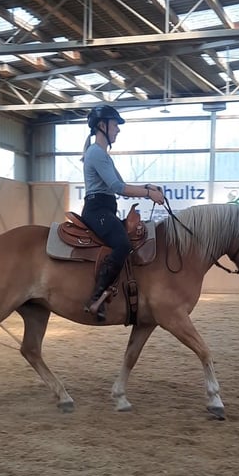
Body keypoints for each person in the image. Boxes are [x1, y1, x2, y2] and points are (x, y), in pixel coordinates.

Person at [80, 104, 165, 321]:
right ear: (102, 125)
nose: (118, 130)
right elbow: (118, 188)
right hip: (97, 209)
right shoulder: (96, 153)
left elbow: (122, 184)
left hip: (105, 208)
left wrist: (148, 186)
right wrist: (148, 194)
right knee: (122, 244)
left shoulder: (103, 155)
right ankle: (95, 298)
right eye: (115, 125)